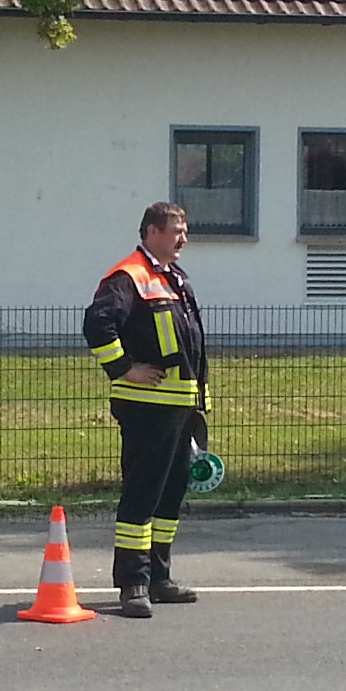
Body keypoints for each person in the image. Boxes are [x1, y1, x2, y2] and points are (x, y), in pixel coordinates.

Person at [81, 200, 208, 618]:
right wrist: (125, 369)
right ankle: (133, 584)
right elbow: (97, 325)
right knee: (142, 495)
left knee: (170, 497)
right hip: (147, 408)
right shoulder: (129, 276)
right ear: (152, 232)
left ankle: (159, 578)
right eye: (176, 231)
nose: (184, 238)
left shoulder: (173, 278)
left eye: (185, 231)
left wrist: (199, 405)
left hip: (179, 408)